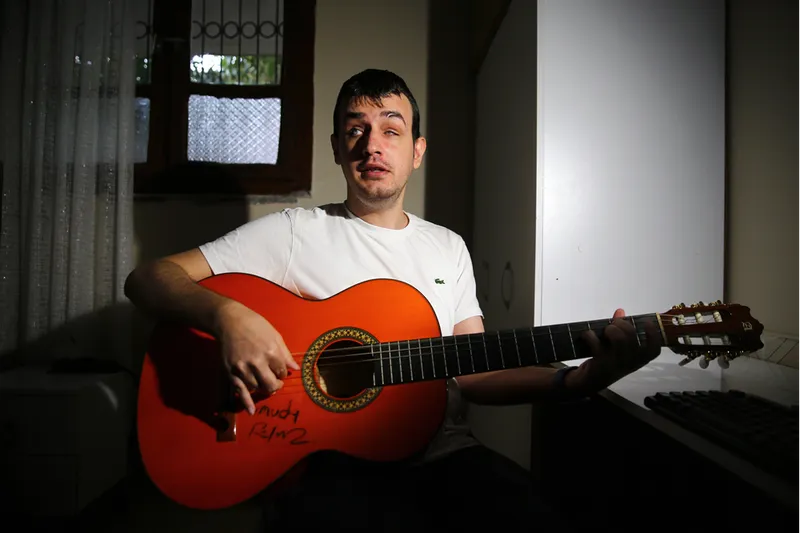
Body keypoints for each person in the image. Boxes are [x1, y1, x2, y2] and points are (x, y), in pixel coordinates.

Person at [124, 68, 661, 531]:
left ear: (417, 151)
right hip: (331, 465)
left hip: (446, 458)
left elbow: (474, 373)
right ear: (337, 147)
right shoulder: (294, 232)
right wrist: (228, 316)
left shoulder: (448, 247)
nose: (371, 145)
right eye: (355, 129)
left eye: (391, 129)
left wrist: (578, 381)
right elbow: (149, 278)